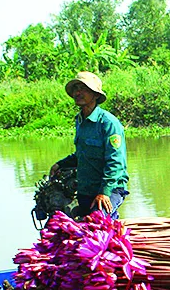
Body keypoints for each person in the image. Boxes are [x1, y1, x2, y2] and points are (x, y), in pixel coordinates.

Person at [50, 71, 129, 219]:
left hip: (110, 189)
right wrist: (60, 165)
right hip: (86, 189)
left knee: (96, 223)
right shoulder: (80, 121)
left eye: (84, 89)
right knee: (62, 222)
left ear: (96, 95)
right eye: (76, 89)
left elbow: (115, 162)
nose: (78, 93)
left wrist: (104, 192)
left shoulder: (108, 123)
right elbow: (82, 155)